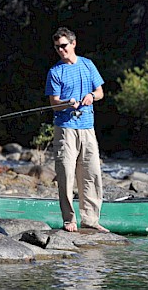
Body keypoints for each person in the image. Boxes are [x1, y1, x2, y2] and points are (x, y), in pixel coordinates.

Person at [45, 27, 108, 233]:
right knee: (66, 173)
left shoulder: (88, 65)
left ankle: (90, 219)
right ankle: (69, 219)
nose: (60, 50)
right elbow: (54, 103)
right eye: (57, 47)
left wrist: (91, 96)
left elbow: (100, 92)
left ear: (73, 44)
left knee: (91, 173)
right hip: (65, 128)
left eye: (63, 46)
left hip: (87, 127)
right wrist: (66, 103)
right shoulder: (55, 72)